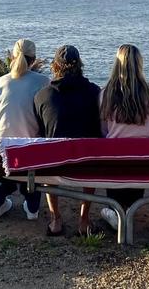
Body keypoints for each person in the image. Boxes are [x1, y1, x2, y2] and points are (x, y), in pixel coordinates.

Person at [34, 45, 101, 237]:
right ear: (80, 65)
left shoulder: (42, 96)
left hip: (54, 165)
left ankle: (56, 220)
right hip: (87, 165)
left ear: (55, 66)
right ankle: (84, 219)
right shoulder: (95, 92)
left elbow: (41, 130)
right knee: (91, 152)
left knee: (48, 152)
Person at [99, 44, 149, 230]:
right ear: (140, 64)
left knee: (114, 157)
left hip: (114, 164)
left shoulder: (106, 93)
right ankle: (126, 210)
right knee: (136, 166)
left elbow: (104, 130)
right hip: (144, 164)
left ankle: (115, 211)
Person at [0, 38, 50, 220]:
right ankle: (31, 207)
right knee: (33, 145)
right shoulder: (43, 81)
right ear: (34, 59)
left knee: (1, 147)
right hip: (28, 154)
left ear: (12, 58)